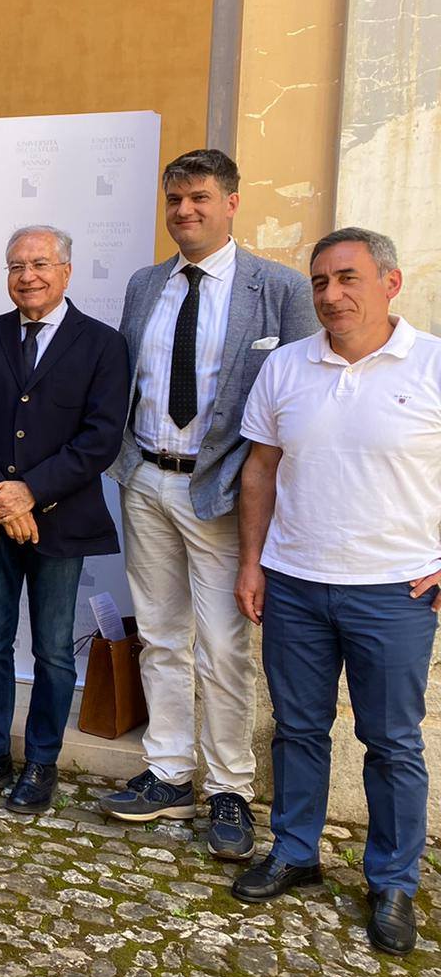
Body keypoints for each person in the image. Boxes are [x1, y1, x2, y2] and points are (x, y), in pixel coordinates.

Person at [230, 227, 441, 957]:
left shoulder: (434, 363)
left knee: (390, 743)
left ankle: (392, 882)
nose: (331, 295)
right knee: (297, 731)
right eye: (320, 281)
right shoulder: (288, 367)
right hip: (295, 583)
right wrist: (252, 563)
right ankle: (294, 853)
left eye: (347, 278)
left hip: (395, 592)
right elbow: (259, 469)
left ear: (391, 281)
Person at [100, 149, 316, 859]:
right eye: (174, 201)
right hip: (146, 480)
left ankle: (229, 788)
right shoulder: (144, 284)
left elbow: (299, 396)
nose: (183, 212)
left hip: (224, 489)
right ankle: (167, 772)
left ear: (231, 202)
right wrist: (125, 464)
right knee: (161, 636)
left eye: (197, 198)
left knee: (223, 646)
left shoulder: (278, 288)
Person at [0, 224, 130, 813]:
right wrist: (2, 499)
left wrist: (31, 494)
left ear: (66, 271)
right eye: (16, 265)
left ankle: (42, 762)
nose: (28, 276)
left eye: (40, 264)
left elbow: (100, 439)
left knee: (51, 649)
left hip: (60, 521)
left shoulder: (103, 345)